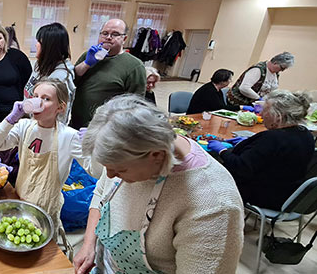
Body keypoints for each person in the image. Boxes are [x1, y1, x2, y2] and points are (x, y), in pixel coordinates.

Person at [74, 94, 244, 274]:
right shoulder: (127, 156)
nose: (110, 175)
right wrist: (88, 244)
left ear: (156, 155)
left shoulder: (215, 205)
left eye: (120, 170)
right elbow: (102, 192)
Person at [0, 79, 97, 234]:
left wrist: (95, 147)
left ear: (60, 107)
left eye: (46, 99)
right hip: (20, 201)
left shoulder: (69, 136)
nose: (38, 101)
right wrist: (10, 119)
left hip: (46, 211)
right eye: (35, 96)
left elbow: (96, 171)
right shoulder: (24, 126)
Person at [208, 90, 314, 211]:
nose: (261, 114)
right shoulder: (306, 135)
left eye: (265, 110)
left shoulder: (272, 138)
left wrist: (222, 150)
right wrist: (247, 143)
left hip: (262, 195)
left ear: (277, 116)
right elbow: (268, 155)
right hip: (289, 194)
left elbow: (240, 167)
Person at [71, 19, 146, 129]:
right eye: (105, 33)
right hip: (77, 123)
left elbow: (136, 104)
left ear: (124, 39)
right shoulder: (88, 55)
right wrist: (86, 63)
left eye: (115, 34)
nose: (108, 37)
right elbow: (73, 81)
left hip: (106, 129)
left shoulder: (135, 66)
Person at [24, 22, 75, 124]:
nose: (36, 44)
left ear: (49, 47)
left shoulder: (60, 77)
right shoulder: (40, 65)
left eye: (39, 41)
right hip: (31, 122)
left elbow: (59, 117)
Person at [227, 52, 294, 106]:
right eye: (282, 68)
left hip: (256, 104)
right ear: (275, 63)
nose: (282, 70)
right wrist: (259, 98)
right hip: (240, 103)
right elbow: (244, 88)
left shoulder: (275, 73)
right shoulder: (258, 69)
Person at [187, 69, 254, 114]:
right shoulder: (209, 90)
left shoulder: (218, 90)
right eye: (229, 79)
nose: (230, 81)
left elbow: (221, 106)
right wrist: (241, 107)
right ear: (222, 81)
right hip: (197, 115)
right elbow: (219, 107)